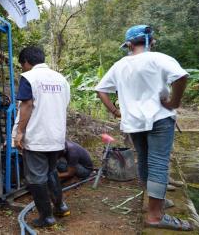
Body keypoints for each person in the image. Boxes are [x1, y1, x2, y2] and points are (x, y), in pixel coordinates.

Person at [95, 25, 192, 231]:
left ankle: (155, 202)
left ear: (129, 45)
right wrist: (174, 102)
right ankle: (155, 216)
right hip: (159, 118)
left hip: (133, 122)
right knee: (158, 163)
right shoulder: (159, 58)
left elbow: (101, 90)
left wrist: (115, 112)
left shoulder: (119, 65)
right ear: (151, 41)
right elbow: (181, 77)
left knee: (145, 160)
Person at [13, 46, 71, 228]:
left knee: (36, 178)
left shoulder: (29, 77)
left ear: (26, 62)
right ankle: (60, 206)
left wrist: (19, 132)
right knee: (51, 171)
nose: (22, 68)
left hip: (38, 137)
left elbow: (27, 105)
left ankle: (46, 217)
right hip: (56, 137)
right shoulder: (61, 79)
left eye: (22, 65)